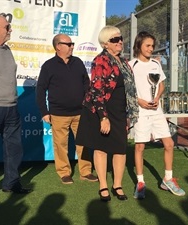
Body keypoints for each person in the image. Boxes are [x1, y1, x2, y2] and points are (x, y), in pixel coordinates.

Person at [75, 26, 139, 202]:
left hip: (119, 111)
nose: (119, 42)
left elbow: (130, 90)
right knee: (101, 148)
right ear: (105, 44)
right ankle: (103, 185)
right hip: (100, 109)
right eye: (114, 40)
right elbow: (96, 91)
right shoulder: (100, 60)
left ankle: (117, 185)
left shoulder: (124, 63)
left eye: (120, 38)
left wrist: (129, 114)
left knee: (120, 149)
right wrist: (103, 118)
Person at [129, 31, 185, 199]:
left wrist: (157, 97)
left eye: (152, 46)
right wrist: (139, 101)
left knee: (169, 144)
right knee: (140, 147)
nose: (151, 49)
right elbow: (128, 91)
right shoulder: (131, 65)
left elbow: (161, 86)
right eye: (148, 45)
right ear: (139, 45)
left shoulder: (155, 63)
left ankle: (167, 179)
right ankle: (140, 183)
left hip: (157, 111)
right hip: (141, 112)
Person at [36, 33, 98, 184]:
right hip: (58, 114)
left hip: (80, 112)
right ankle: (64, 172)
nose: (72, 47)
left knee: (83, 143)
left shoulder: (78, 62)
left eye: (72, 44)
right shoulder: (48, 66)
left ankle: (86, 171)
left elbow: (86, 85)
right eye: (69, 44)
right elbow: (40, 89)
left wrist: (88, 104)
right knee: (60, 145)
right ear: (58, 46)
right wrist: (44, 111)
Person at [0, 15, 32, 194]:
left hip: (11, 108)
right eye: (7, 26)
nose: (11, 29)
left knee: (14, 148)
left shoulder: (7, 49)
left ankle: (11, 183)